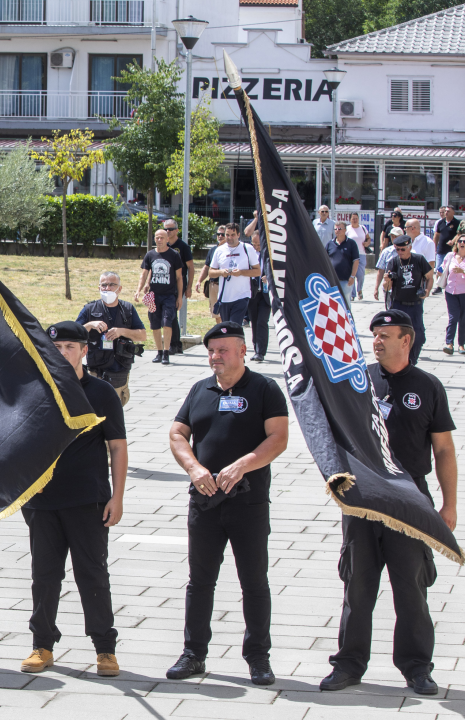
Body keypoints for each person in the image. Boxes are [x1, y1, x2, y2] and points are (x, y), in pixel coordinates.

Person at [320, 310, 457, 696]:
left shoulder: (428, 386)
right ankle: (349, 664)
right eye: (374, 335)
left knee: (411, 586)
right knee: (357, 582)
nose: (377, 341)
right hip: (364, 498)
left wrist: (449, 506)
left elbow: (444, 449)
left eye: (385, 335)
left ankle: (416, 667)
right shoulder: (358, 381)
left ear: (406, 340)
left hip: (410, 500)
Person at [166, 321, 289, 687]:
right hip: (204, 502)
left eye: (222, 350)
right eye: (211, 351)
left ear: (241, 351)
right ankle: (194, 654)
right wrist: (193, 467)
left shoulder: (264, 388)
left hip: (247, 503)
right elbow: (177, 433)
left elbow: (279, 438)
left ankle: (258, 658)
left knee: (253, 581)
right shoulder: (200, 389)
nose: (215, 357)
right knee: (200, 581)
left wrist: (244, 463)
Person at [18, 321, 128, 676]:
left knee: (92, 575)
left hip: (87, 500)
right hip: (42, 502)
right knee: (44, 576)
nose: (63, 353)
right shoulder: (35, 389)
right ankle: (42, 645)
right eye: (57, 347)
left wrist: (118, 496)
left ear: (84, 351)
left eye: (70, 346)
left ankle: (104, 649)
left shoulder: (101, 392)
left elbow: (118, 446)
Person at [77, 271, 146, 406]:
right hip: (95, 371)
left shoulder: (128, 309)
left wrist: (122, 331)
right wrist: (90, 325)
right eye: (104, 285)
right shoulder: (89, 309)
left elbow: (142, 335)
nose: (107, 288)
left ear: (119, 288)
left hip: (120, 371)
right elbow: (74, 333)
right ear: (99, 288)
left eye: (112, 285)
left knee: (115, 412)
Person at [136, 229, 184, 365]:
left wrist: (179, 297)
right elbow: (144, 273)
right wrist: (138, 290)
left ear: (167, 239)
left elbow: (179, 277)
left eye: (162, 237)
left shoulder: (174, 255)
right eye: (157, 237)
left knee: (167, 322)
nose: (159, 240)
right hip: (153, 295)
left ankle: (166, 352)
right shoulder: (150, 255)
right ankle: (159, 352)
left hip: (169, 295)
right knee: (155, 324)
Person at [383, 236, 434, 364]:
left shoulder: (419, 260)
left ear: (410, 247)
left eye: (403, 249)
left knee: (419, 337)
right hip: (398, 304)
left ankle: (411, 361)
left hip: (415, 304)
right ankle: (398, 361)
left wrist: (427, 291)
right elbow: (386, 287)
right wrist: (387, 280)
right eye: (397, 249)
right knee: (396, 335)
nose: (400, 252)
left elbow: (429, 277)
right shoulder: (394, 262)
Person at [209, 223, 260, 325]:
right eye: (227, 235)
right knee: (227, 328)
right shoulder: (219, 250)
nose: (229, 238)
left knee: (235, 325)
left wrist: (241, 272)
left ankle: (238, 340)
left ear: (238, 235)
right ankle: (240, 341)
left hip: (242, 295)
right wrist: (221, 272)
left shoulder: (247, 248)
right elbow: (211, 272)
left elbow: (257, 271)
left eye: (233, 235)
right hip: (224, 297)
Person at [441, 235, 465, 355]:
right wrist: (440, 271)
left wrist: (463, 271)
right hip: (451, 290)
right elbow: (443, 268)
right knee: (453, 317)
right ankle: (449, 343)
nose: (462, 243)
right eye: (460, 241)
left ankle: (461, 344)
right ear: (456, 244)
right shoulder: (450, 256)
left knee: (463, 318)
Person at [162, 218, 194, 355]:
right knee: (169, 314)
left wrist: (189, 287)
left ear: (177, 230)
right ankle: (175, 344)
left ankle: (174, 344)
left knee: (171, 314)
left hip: (178, 284)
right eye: (165, 229)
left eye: (170, 229)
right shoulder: (162, 245)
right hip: (163, 284)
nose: (167, 232)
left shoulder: (183, 246)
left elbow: (191, 267)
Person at [247, 229, 273, 363]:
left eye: (259, 244)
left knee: (262, 321)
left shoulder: (270, 254)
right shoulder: (249, 254)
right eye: (254, 244)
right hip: (253, 293)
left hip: (266, 294)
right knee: (254, 322)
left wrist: (269, 277)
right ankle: (256, 349)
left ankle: (261, 352)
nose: (256, 247)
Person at [327, 221, 362, 306]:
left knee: (345, 303)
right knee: (332, 305)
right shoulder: (330, 244)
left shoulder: (351, 243)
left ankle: (347, 319)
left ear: (345, 230)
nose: (337, 230)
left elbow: (356, 261)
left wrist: (352, 276)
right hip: (332, 280)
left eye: (339, 228)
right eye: (335, 229)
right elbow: (325, 260)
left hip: (345, 280)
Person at [432, 206, 460, 295]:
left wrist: (453, 241)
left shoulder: (457, 223)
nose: (446, 213)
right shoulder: (440, 222)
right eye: (445, 211)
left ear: (453, 213)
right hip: (441, 250)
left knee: (451, 269)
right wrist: (434, 246)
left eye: (448, 211)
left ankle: (451, 286)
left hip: (452, 251)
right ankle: (439, 287)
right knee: (439, 269)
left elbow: (459, 234)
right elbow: (436, 235)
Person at [346, 214, 372, 301]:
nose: (355, 220)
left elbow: (368, 238)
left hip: (361, 253)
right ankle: (352, 294)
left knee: (360, 274)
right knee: (351, 274)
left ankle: (359, 289)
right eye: (353, 219)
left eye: (356, 218)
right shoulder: (347, 229)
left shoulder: (363, 228)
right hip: (350, 254)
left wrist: (367, 243)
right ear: (350, 220)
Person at [373, 228, 402, 303]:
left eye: (396, 236)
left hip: (403, 287)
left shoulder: (409, 251)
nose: (394, 239)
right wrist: (376, 288)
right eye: (392, 236)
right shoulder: (386, 252)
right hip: (389, 287)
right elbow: (381, 270)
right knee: (390, 310)